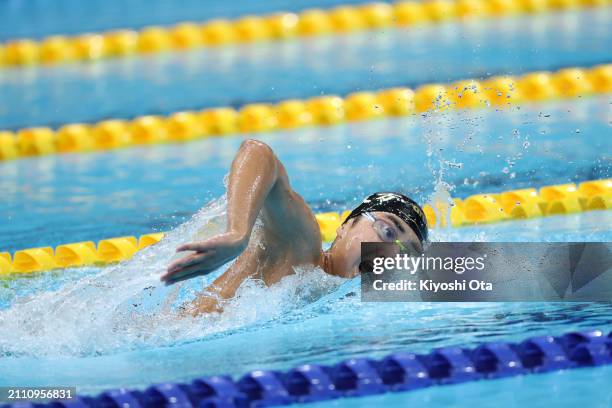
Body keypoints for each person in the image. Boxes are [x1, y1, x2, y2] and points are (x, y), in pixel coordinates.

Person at [162, 139, 428, 315]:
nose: (390, 253)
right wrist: (238, 233)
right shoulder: (302, 247)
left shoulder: (332, 293)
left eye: (406, 253)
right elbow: (257, 152)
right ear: (345, 226)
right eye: (387, 232)